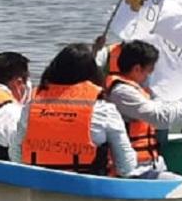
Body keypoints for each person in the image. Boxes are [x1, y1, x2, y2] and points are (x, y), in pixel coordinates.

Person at [11, 43, 137, 176]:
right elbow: (127, 166)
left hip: (37, 184)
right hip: (88, 188)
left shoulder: (31, 107)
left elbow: (15, 155)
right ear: (93, 74)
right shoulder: (104, 110)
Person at [104, 40, 182, 178]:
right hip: (132, 170)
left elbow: (166, 107)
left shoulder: (140, 89)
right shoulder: (121, 93)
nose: (151, 75)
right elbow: (161, 119)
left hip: (151, 162)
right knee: (180, 184)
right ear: (137, 69)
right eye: (150, 71)